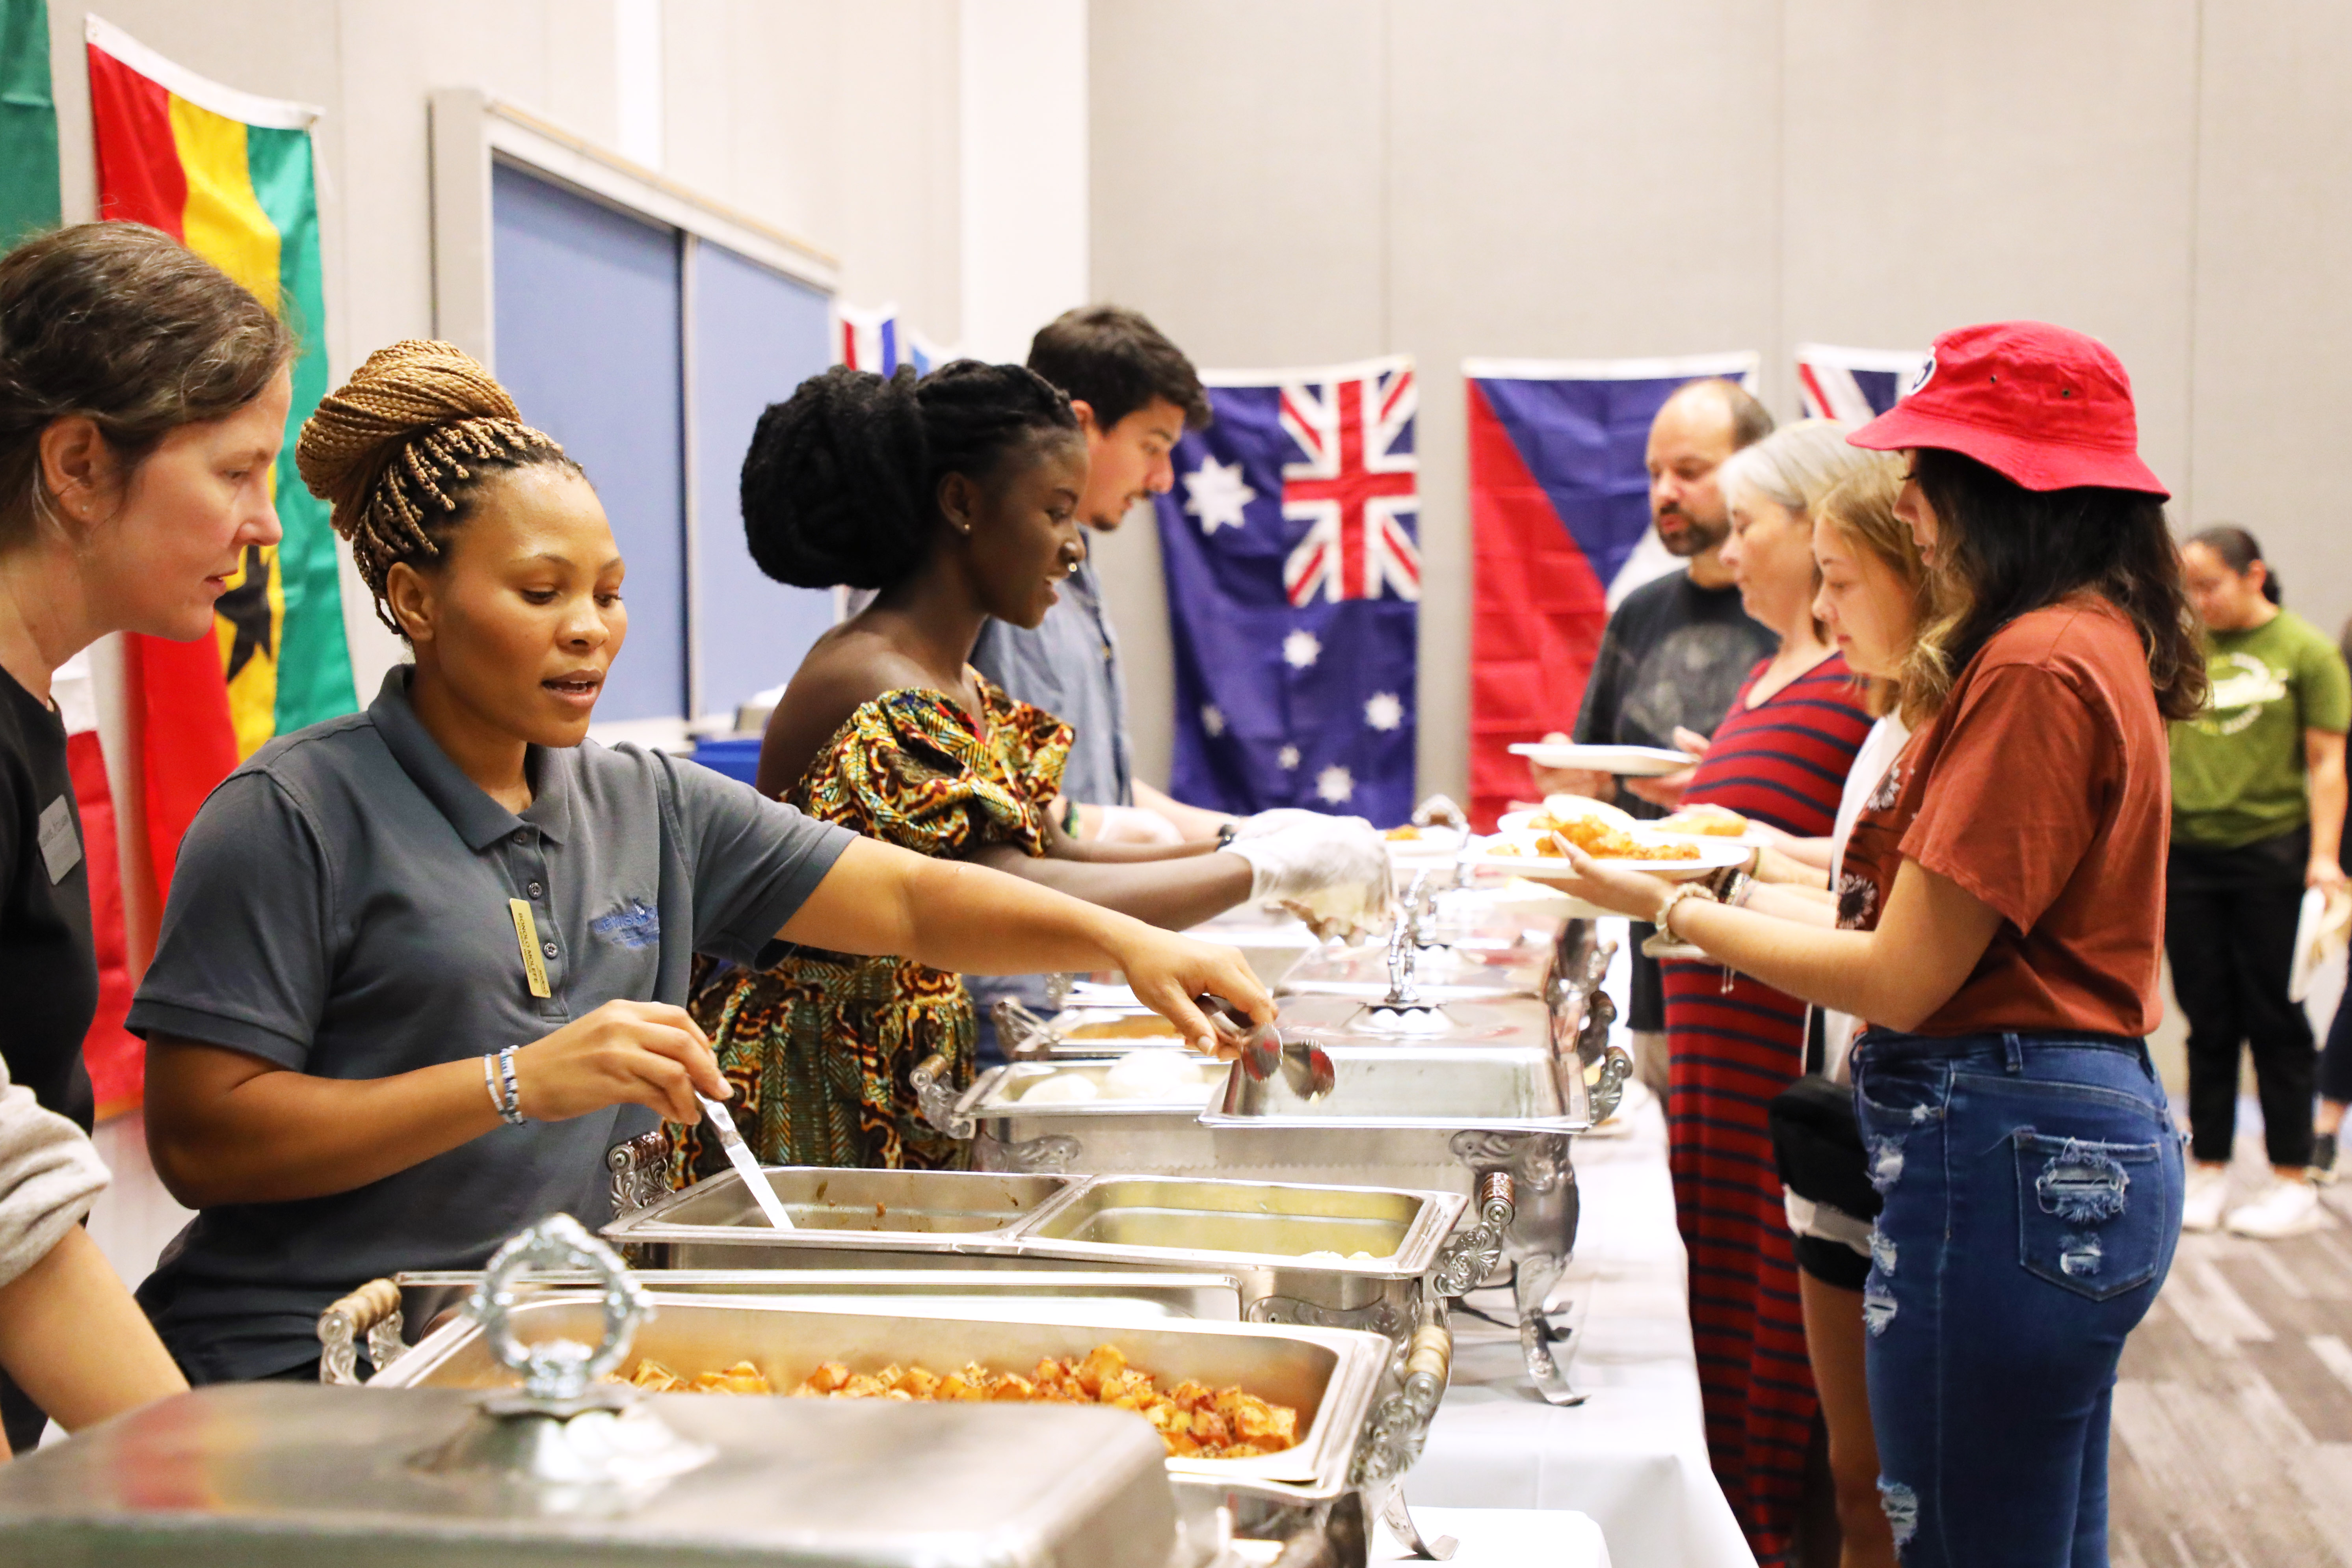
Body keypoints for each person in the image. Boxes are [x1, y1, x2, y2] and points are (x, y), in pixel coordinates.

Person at [130, 342, 1275, 1384]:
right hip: (308, 1363)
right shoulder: (292, 812)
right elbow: (201, 1142)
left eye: (609, 593)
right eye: (542, 593)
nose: (590, 628)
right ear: (417, 600)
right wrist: (517, 1080)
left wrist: (1132, 943)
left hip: (535, 1349)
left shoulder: (647, 802)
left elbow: (915, 897)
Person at [1536, 321, 2199, 1566]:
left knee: (1956, 1534)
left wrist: (1669, 904)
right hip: (2037, 1129)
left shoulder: (2038, 661)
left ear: (1997, 492)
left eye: (1930, 482)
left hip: (2002, 1132)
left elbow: (1901, 968)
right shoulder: (2072, 639)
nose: (1919, 515)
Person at [679, 361, 1382, 1177]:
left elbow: (1057, 853)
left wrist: (1263, 853)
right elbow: (1015, 881)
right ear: (962, 504)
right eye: (1055, 512)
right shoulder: (876, 685)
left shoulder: (960, 681)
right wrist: (1256, 869)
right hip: (819, 1094)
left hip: (905, 1075)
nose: (1074, 545)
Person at [0, 223, 290, 1443]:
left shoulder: (31, 702)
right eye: (234, 473)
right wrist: (195, 1482)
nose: (265, 526)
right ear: (77, 465)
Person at [1654, 420, 1879, 1564]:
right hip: (1717, 1044)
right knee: (1724, 1320)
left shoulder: (1859, 683)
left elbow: (1861, 873)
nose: (1728, 549)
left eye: (1747, 524)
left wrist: (1717, 863)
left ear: (1819, 522)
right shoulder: (1766, 669)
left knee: (1784, 1350)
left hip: (1783, 1042)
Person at [1530, 378, 1778, 1097]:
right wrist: (1577, 788)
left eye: (1690, 472)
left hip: (1775, 980)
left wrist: (1718, 787)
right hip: (1658, 982)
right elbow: (1597, 782)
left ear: (1756, 469)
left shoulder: (1801, 616)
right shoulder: (1639, 614)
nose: (1665, 491)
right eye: (1653, 475)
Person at [2165, 526, 2348, 1237]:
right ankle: (2207, 1169)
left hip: (2272, 853)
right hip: (2188, 857)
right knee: (2206, 1018)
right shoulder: (2182, 649)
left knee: (2276, 1020)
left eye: (2208, 585)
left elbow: (2328, 763)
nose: (2196, 601)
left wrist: (2324, 856)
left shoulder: (2305, 651)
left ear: (2254, 576)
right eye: (2187, 587)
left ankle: (2290, 1175)